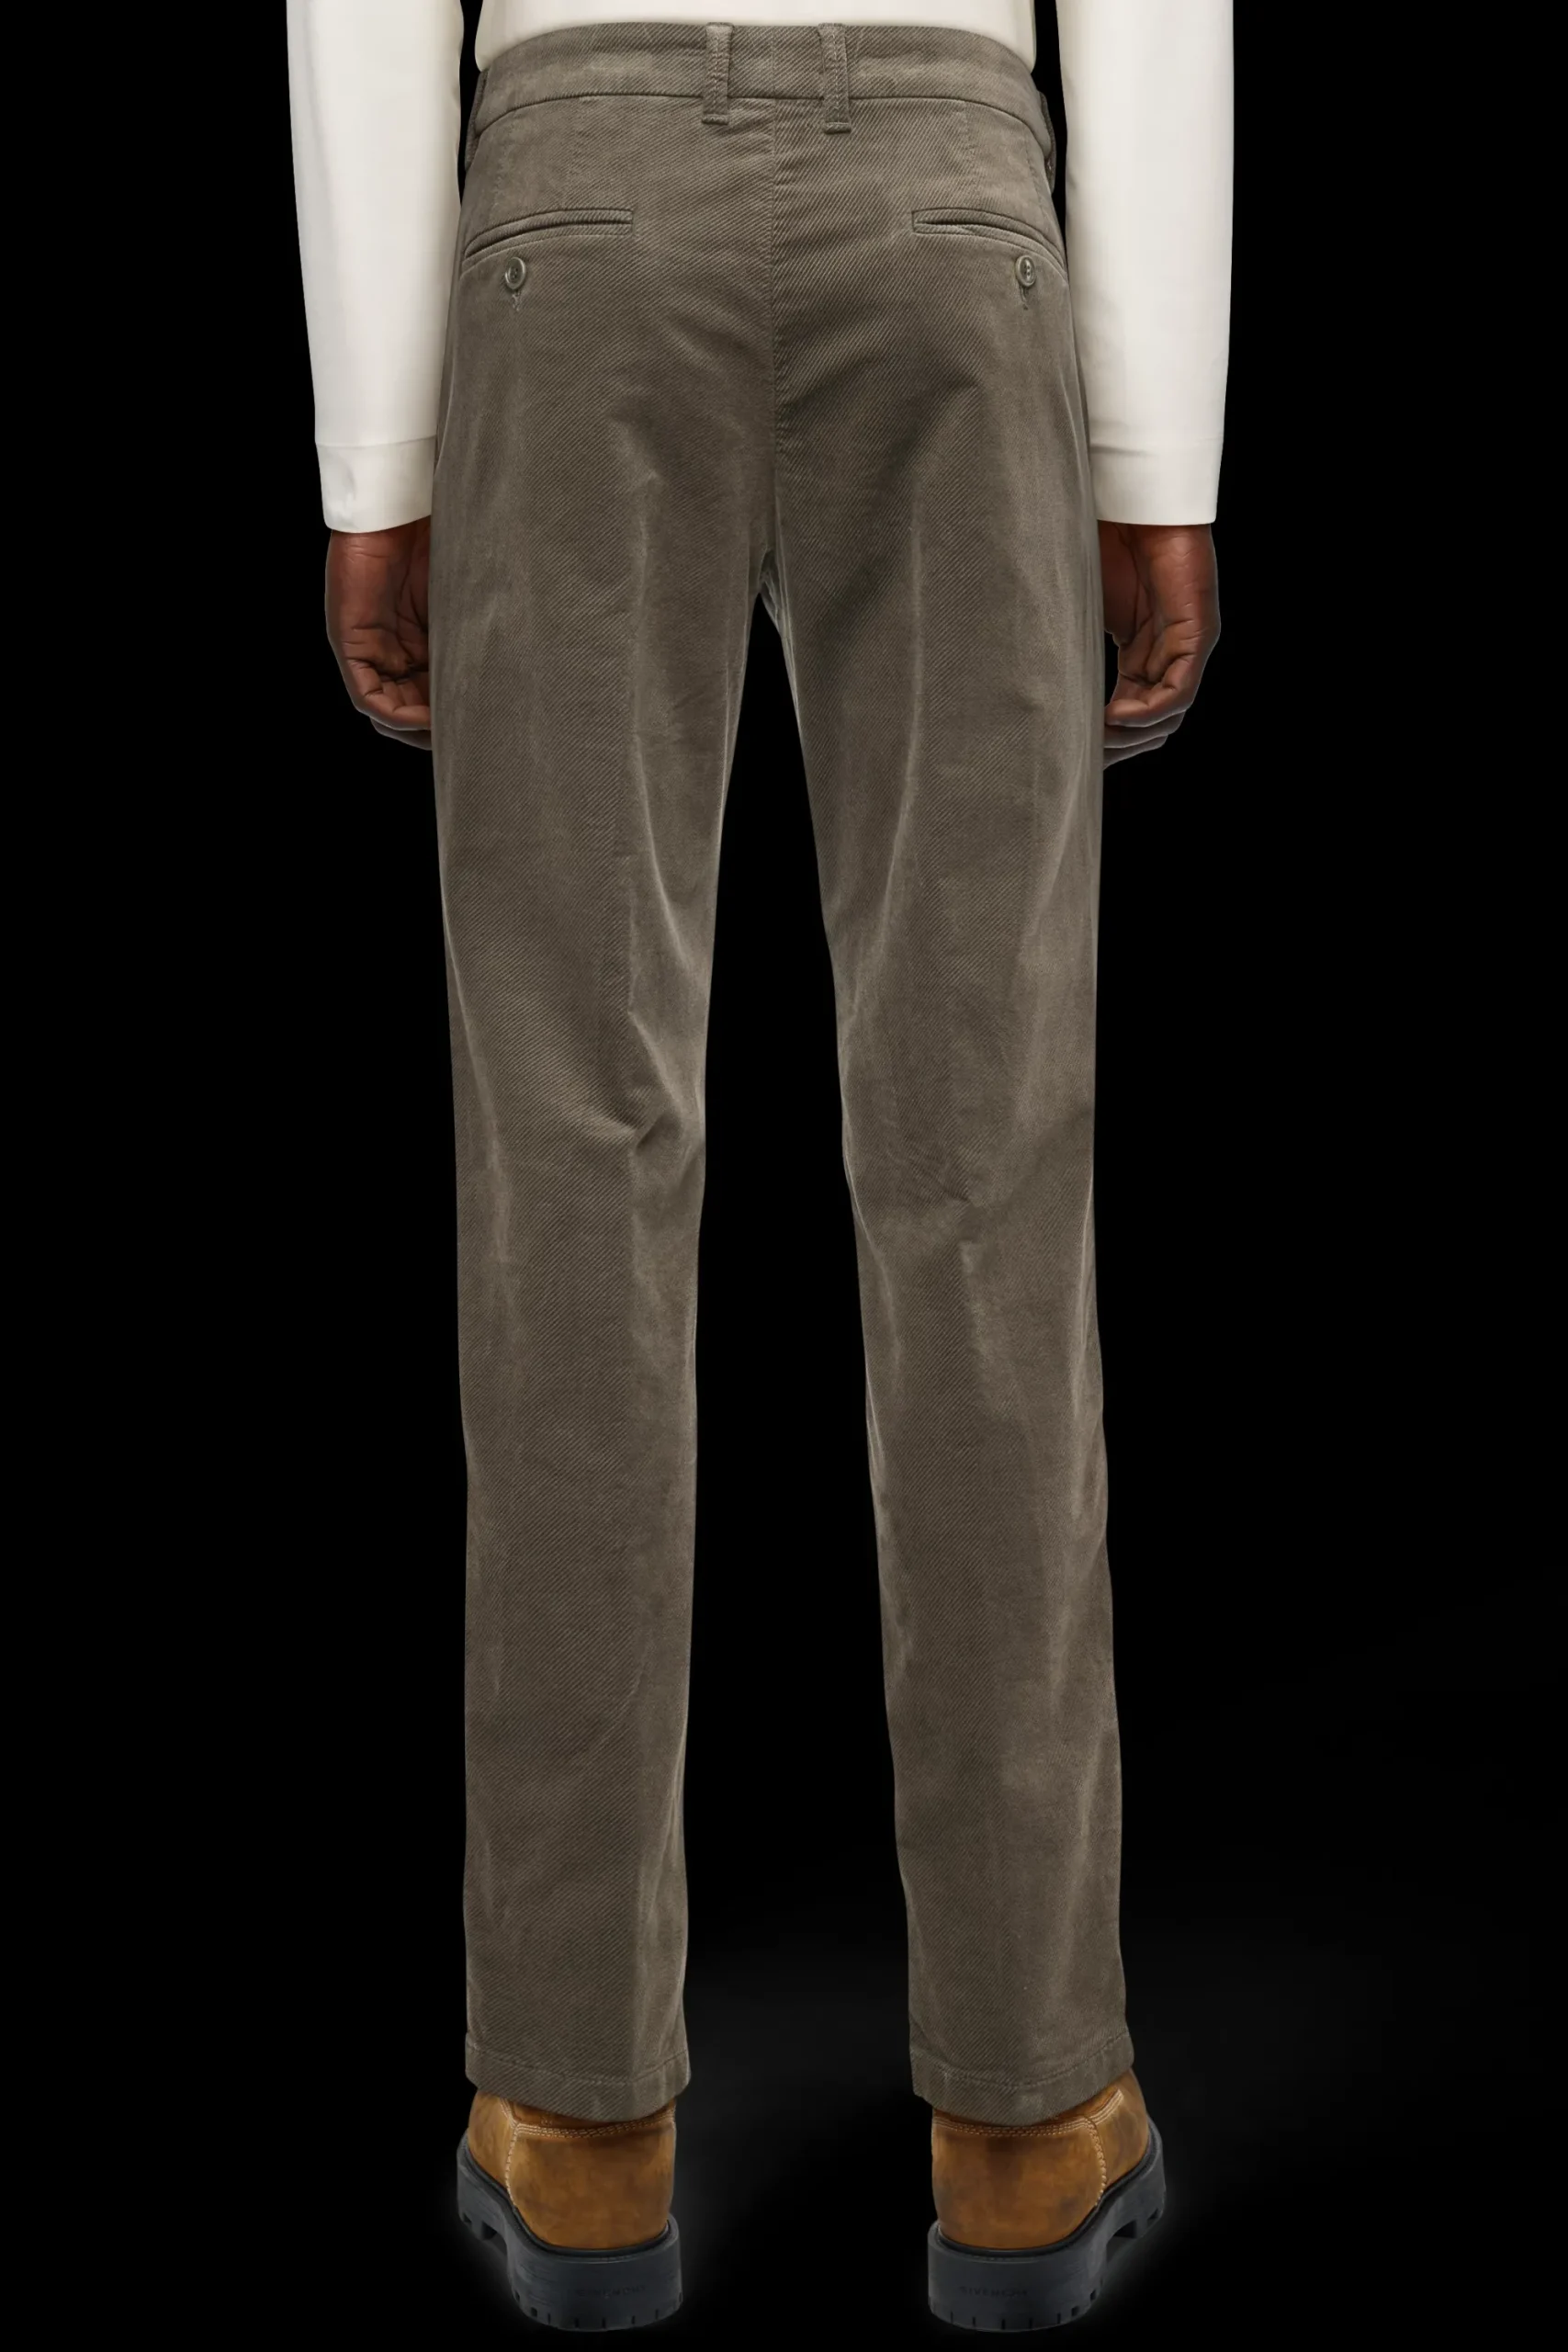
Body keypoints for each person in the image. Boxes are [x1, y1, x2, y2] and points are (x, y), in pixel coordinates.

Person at [287, 1, 1229, 2332]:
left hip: (573, 222)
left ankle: (574, 2118)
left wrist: (376, 445)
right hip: (952, 205)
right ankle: (1029, 2112)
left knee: (568, 1167)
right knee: (986, 1166)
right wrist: (1156, 438)